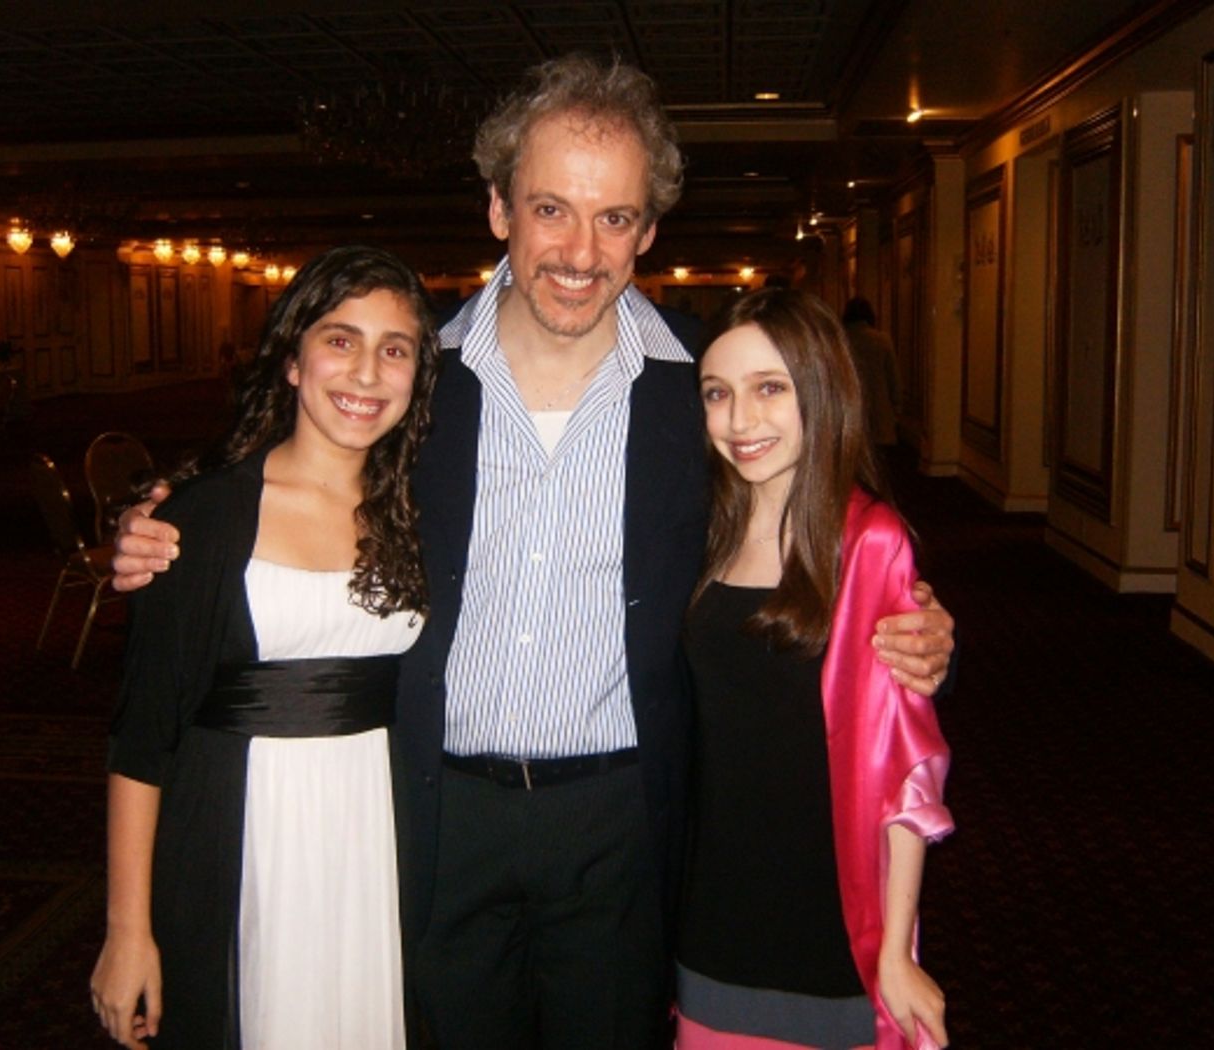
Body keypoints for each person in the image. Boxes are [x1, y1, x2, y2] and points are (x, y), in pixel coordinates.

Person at [110, 55, 955, 1050]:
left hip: (621, 824)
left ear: (647, 230)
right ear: (499, 210)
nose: (579, 250)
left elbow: (802, 520)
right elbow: (290, 460)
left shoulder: (696, 391)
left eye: (613, 219)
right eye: (551, 208)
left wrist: (899, 615)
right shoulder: (415, 382)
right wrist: (168, 516)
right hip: (430, 809)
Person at [89, 245, 439, 1050]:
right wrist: (126, 931)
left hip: (377, 838)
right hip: (237, 832)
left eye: (395, 349)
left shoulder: (424, 516)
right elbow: (142, 738)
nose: (365, 372)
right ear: (291, 360)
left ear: (417, 376)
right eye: (340, 339)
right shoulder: (202, 521)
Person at [677, 287, 952, 1050]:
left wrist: (895, 949)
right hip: (715, 912)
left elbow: (903, 766)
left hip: (829, 916)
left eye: (770, 389)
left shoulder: (868, 543)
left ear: (821, 389)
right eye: (717, 394)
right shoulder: (701, 529)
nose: (741, 420)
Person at [841, 297, 902, 448]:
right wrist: (897, 407)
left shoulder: (841, 341)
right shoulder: (882, 340)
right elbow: (893, 377)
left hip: (850, 408)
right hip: (880, 408)